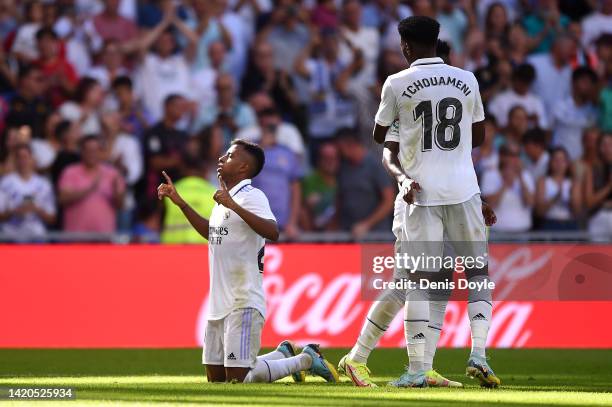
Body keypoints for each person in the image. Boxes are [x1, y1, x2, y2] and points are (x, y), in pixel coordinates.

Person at [371, 16, 500, 388]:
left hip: (421, 193)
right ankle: (478, 354)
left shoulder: (396, 83)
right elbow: (477, 136)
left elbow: (380, 135)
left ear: (406, 46)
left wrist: (407, 127)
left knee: (421, 280)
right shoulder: (468, 80)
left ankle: (415, 370)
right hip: (464, 191)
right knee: (478, 274)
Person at [157, 139, 338, 383]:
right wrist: (181, 204)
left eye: (230, 156)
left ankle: (305, 360)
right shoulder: (224, 200)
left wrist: (233, 205)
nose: (222, 158)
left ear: (243, 168)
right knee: (217, 381)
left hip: (243, 300)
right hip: (218, 302)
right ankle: (281, 354)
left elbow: (273, 232)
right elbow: (212, 234)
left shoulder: (252, 196)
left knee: (239, 380)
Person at [338, 121, 497, 388]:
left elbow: (449, 166)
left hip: (446, 204)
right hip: (414, 202)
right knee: (406, 285)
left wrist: (473, 202)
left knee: (438, 287)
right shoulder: (409, 99)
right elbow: (387, 150)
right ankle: (357, 358)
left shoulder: (440, 101)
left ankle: (424, 368)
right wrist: (402, 180)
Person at [58, 135, 126, 233]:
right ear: (81, 152)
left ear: (101, 152)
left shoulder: (112, 174)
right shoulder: (70, 172)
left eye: (95, 150)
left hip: (103, 238)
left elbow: (121, 205)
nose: (92, 154)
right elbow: (62, 198)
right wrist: (89, 190)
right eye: (88, 150)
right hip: (76, 239)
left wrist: (117, 192)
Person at [336, 128, 394, 239]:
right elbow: (340, 198)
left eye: (339, 148)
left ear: (348, 145)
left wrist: (367, 224)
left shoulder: (375, 166)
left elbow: (389, 201)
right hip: (349, 234)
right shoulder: (343, 167)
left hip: (376, 236)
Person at [0, 143, 55, 239]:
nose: (23, 161)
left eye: (25, 157)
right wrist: (14, 211)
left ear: (32, 158)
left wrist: (36, 210)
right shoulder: (5, 183)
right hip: (11, 237)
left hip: (36, 237)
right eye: (19, 157)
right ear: (15, 160)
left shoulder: (44, 184)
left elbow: (52, 218)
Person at [535, 147, 581, 230]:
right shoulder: (543, 181)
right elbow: (539, 211)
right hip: (549, 223)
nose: (559, 163)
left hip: (569, 223)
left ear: (567, 163)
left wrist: (572, 198)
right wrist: (555, 198)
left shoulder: (573, 182)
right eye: (555, 160)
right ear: (550, 163)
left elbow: (577, 212)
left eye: (562, 160)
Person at [584, 133, 612, 241]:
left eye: (610, 144)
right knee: (598, 255)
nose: (607, 148)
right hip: (598, 217)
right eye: (604, 144)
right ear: (599, 148)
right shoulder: (593, 170)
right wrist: (609, 186)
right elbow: (589, 201)